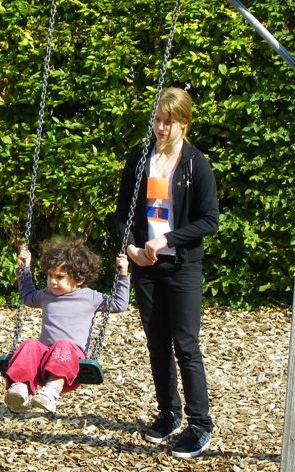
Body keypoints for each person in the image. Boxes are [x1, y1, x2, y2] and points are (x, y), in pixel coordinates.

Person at [110, 87, 219, 459]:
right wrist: (130, 248)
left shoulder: (195, 164)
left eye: (167, 122)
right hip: (146, 267)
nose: (159, 127)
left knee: (186, 346)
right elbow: (121, 215)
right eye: (156, 120)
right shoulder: (140, 159)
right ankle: (169, 412)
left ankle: (200, 424)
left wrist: (167, 239)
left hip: (182, 268)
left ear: (183, 124)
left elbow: (210, 220)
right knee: (157, 343)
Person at [3, 236, 130, 414]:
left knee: (63, 345)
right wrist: (24, 269)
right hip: (45, 358)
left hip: (71, 359)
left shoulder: (90, 297)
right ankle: (20, 388)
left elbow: (118, 304)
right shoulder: (47, 294)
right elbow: (28, 297)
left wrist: (123, 274)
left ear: (79, 279)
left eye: (60, 277)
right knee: (30, 344)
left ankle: (51, 391)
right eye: (50, 275)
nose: (53, 281)